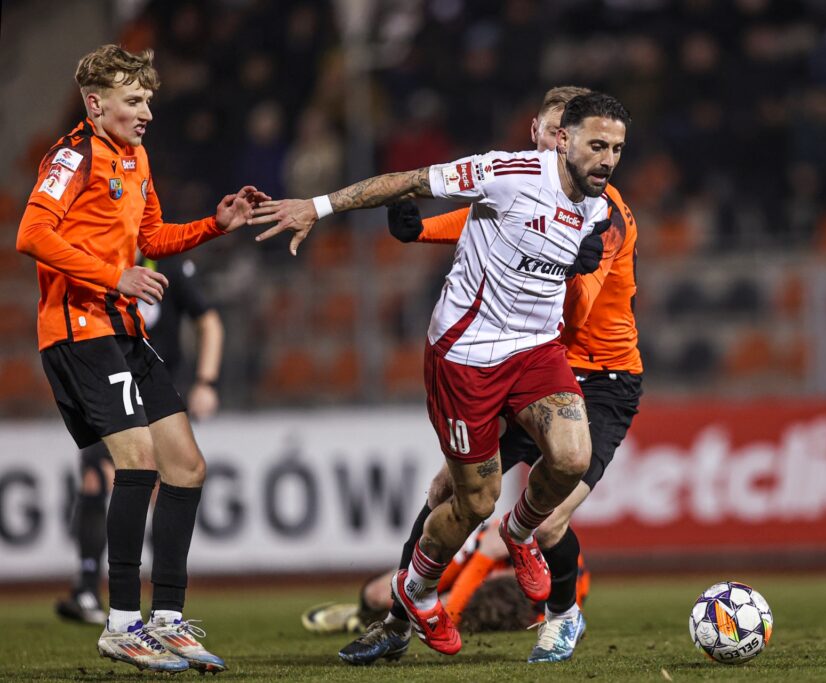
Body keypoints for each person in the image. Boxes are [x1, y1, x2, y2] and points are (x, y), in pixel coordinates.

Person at [250, 91, 630, 660]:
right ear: (561, 139)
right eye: (597, 145)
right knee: (472, 501)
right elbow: (407, 182)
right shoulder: (506, 174)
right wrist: (318, 207)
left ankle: (519, 534)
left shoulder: (599, 209)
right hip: (466, 355)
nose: (607, 159)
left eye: (617, 149)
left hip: (537, 350)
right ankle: (416, 591)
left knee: (572, 457)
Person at [15, 44, 268, 674]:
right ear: (95, 104)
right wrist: (114, 276)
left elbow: (152, 237)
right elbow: (32, 233)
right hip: (80, 330)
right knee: (139, 462)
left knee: (187, 466)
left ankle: (168, 620)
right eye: (134, 100)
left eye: (149, 99)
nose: (147, 111)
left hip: (124, 330)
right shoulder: (72, 156)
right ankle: (122, 623)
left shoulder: (136, 157)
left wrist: (215, 224)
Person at [55, 253, 224, 626]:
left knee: (163, 483)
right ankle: (92, 591)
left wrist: (206, 382)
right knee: (98, 477)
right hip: (106, 382)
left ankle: (160, 605)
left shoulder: (169, 265)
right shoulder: (95, 261)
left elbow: (209, 321)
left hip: (154, 387)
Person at [303, 520, 591, 640]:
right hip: (467, 557)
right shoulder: (533, 553)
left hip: (479, 580)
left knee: (437, 614)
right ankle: (363, 611)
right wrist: (421, 590)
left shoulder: (540, 610)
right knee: (380, 594)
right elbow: (493, 541)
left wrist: (485, 559)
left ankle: (369, 620)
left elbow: (452, 613)